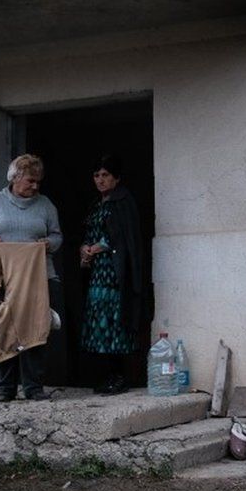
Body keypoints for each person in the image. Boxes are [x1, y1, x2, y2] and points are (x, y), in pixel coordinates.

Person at [0, 154, 61, 401]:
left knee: (36, 326)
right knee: (4, 327)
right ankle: (6, 387)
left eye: (38, 182)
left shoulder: (45, 205)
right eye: (30, 181)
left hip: (39, 277)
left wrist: (47, 244)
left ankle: (33, 386)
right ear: (15, 178)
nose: (35, 186)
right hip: (3, 277)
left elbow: (57, 237)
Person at [80, 154, 146, 395]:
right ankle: (108, 375)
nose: (100, 180)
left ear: (116, 178)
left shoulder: (123, 201)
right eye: (96, 175)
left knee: (117, 323)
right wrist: (85, 248)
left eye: (105, 175)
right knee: (100, 324)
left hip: (116, 275)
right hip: (98, 274)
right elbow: (89, 232)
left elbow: (124, 237)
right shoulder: (97, 204)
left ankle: (120, 376)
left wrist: (97, 247)